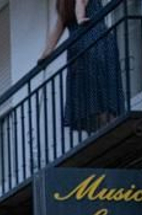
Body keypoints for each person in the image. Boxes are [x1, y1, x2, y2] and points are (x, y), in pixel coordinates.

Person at [42, 0, 121, 133]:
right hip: (96, 41)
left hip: (78, 51)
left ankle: (102, 131)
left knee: (90, 98)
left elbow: (58, 26)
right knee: (103, 94)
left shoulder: (63, 4)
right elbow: (80, 3)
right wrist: (80, 18)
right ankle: (111, 129)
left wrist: (45, 54)